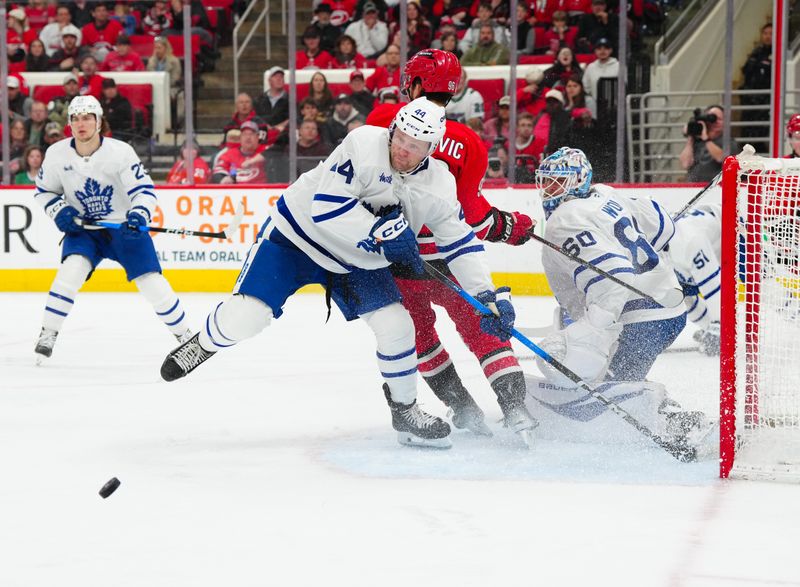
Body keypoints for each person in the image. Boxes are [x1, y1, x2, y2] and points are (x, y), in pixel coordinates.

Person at [160, 97, 518, 449]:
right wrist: (381, 232)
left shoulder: (439, 184)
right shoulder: (363, 143)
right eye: (401, 138)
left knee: (397, 326)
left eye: (416, 145)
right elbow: (326, 207)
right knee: (248, 317)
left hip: (356, 261)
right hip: (299, 238)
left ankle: (405, 413)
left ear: (431, 148)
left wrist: (486, 296)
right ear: (392, 130)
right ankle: (202, 345)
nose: (404, 149)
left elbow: (459, 243)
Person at [366, 50, 537, 439]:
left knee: (420, 338)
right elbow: (474, 215)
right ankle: (515, 409)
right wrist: (510, 227)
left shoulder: (381, 120)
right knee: (482, 329)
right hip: (449, 261)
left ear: (417, 85)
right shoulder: (468, 141)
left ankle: (463, 409)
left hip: (400, 263)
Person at [528, 147, 710, 446]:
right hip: (665, 307)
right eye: (545, 182)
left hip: (642, 317)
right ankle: (662, 409)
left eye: (556, 182)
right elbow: (663, 226)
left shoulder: (564, 219)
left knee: (609, 388)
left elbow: (615, 277)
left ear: (578, 182)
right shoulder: (605, 194)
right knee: (616, 380)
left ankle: (675, 425)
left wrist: (593, 332)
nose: (547, 191)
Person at [32, 95, 191, 363]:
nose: (81, 124)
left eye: (87, 118)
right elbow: (44, 191)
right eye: (76, 118)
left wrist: (139, 214)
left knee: (151, 283)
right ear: (69, 123)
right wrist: (58, 211)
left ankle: (185, 336)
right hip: (84, 229)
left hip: (123, 228)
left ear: (98, 121)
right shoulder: (56, 154)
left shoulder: (120, 152)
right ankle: (48, 333)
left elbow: (144, 192)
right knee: (71, 271)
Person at [667, 203, 721, 356]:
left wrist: (719, 326)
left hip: (734, 231)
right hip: (689, 248)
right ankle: (709, 326)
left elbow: (713, 285)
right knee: (679, 295)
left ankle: (792, 312)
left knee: (761, 280)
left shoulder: (689, 241)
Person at [679, 105, 726, 183]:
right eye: (712, 118)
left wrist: (706, 139)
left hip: (715, 189)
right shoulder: (696, 141)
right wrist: (691, 137)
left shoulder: (727, 141)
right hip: (693, 188)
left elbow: (721, 158)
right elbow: (685, 164)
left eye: (719, 119)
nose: (715, 122)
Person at [445, 69, 484, 134]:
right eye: (454, 77)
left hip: (466, 133)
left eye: (460, 78)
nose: (457, 80)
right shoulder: (442, 95)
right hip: (445, 133)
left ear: (465, 80)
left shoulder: (474, 96)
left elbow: (476, 124)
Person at [255, 66, 290, 138]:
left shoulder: (291, 100)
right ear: (269, 80)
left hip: (282, 135)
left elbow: (294, 117)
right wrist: (265, 126)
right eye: (275, 76)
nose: (279, 79)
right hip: (261, 134)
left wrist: (279, 126)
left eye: (281, 77)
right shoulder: (259, 99)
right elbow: (254, 116)